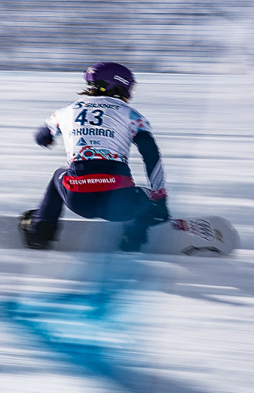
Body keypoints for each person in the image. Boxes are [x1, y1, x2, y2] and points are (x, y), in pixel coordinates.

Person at [20, 61, 171, 252]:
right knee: (149, 197)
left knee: (60, 174)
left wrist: (51, 139)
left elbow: (41, 137)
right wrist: (161, 198)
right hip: (120, 203)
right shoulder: (132, 115)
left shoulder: (66, 112)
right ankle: (132, 239)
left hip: (79, 200)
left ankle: (41, 231)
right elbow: (151, 155)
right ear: (119, 85)